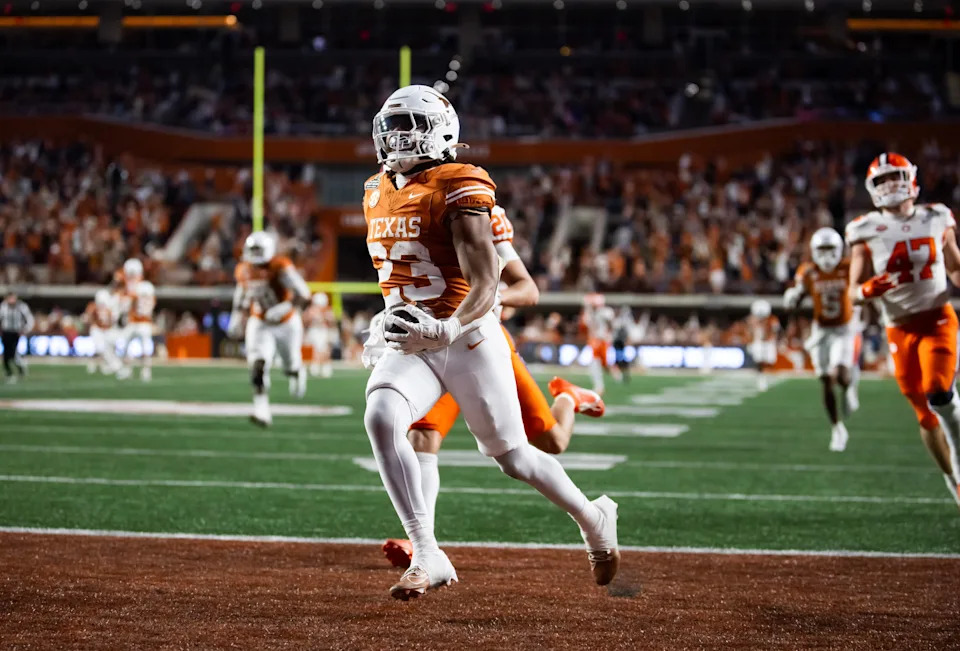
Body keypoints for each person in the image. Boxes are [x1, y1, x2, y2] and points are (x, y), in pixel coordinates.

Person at [362, 84, 619, 600]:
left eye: (409, 125)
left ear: (440, 131)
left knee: (514, 456)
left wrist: (449, 326)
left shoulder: (461, 184)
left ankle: (594, 518)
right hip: (412, 338)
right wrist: (384, 319)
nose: (396, 137)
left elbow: (490, 283)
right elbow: (402, 278)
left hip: (467, 337)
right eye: (391, 126)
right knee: (383, 416)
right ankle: (427, 552)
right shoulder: (375, 188)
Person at [374, 205, 606, 569]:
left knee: (549, 442)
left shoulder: (474, 211)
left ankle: (566, 397)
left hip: (481, 347)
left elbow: (527, 289)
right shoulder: (407, 206)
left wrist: (490, 298)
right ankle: (424, 543)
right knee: (422, 437)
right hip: (431, 349)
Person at [846, 152, 960, 508]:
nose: (891, 184)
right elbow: (853, 291)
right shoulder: (863, 228)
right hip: (898, 329)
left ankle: (958, 450)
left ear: (910, 178)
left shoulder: (936, 216)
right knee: (923, 413)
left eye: (895, 176)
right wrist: (866, 291)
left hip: (937, 318)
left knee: (938, 390)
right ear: (872, 188)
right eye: (882, 180)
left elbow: (955, 266)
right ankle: (953, 479)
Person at [783, 227, 859, 452]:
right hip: (821, 330)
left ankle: (849, 384)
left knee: (840, 376)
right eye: (822, 250)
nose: (826, 255)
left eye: (830, 249)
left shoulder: (848, 267)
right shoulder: (808, 271)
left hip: (844, 329)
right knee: (826, 380)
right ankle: (837, 428)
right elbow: (798, 294)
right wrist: (793, 297)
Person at [227, 231, 311, 427]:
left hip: (287, 322)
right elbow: (240, 295)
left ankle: (297, 372)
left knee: (289, 367)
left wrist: (285, 307)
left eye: (259, 249)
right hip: (260, 322)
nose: (255, 254)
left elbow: (305, 295)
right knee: (257, 364)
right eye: (252, 249)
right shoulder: (243, 269)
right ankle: (261, 411)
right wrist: (235, 317)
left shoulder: (279, 266)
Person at [115, 258, 156, 382]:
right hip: (144, 322)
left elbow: (129, 303)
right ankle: (145, 371)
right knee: (144, 348)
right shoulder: (147, 289)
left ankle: (129, 369)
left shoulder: (135, 290)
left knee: (127, 346)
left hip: (136, 321)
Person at [83, 288, 121, 375]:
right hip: (97, 329)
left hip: (107, 330)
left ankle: (105, 364)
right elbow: (88, 318)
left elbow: (113, 321)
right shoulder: (93, 306)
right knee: (100, 348)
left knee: (109, 347)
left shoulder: (111, 307)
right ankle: (113, 364)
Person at [0, 292, 33, 383]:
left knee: (13, 353)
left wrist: (25, 329)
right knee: (6, 354)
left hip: (16, 332)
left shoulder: (21, 307)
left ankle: (20, 367)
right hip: (6, 332)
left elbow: (29, 319)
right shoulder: (3, 307)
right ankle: (9, 373)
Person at [748, 299, 779, 392]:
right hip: (759, 342)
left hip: (769, 342)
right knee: (759, 361)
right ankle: (761, 379)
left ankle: (767, 377)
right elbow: (751, 330)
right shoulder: (753, 319)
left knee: (770, 361)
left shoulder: (772, 319)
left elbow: (775, 331)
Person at [303, 292, 335, 378]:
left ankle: (324, 367)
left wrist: (324, 317)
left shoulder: (327, 310)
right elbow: (305, 320)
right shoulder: (311, 310)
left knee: (324, 349)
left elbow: (331, 322)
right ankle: (315, 366)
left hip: (322, 330)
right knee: (315, 349)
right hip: (314, 330)